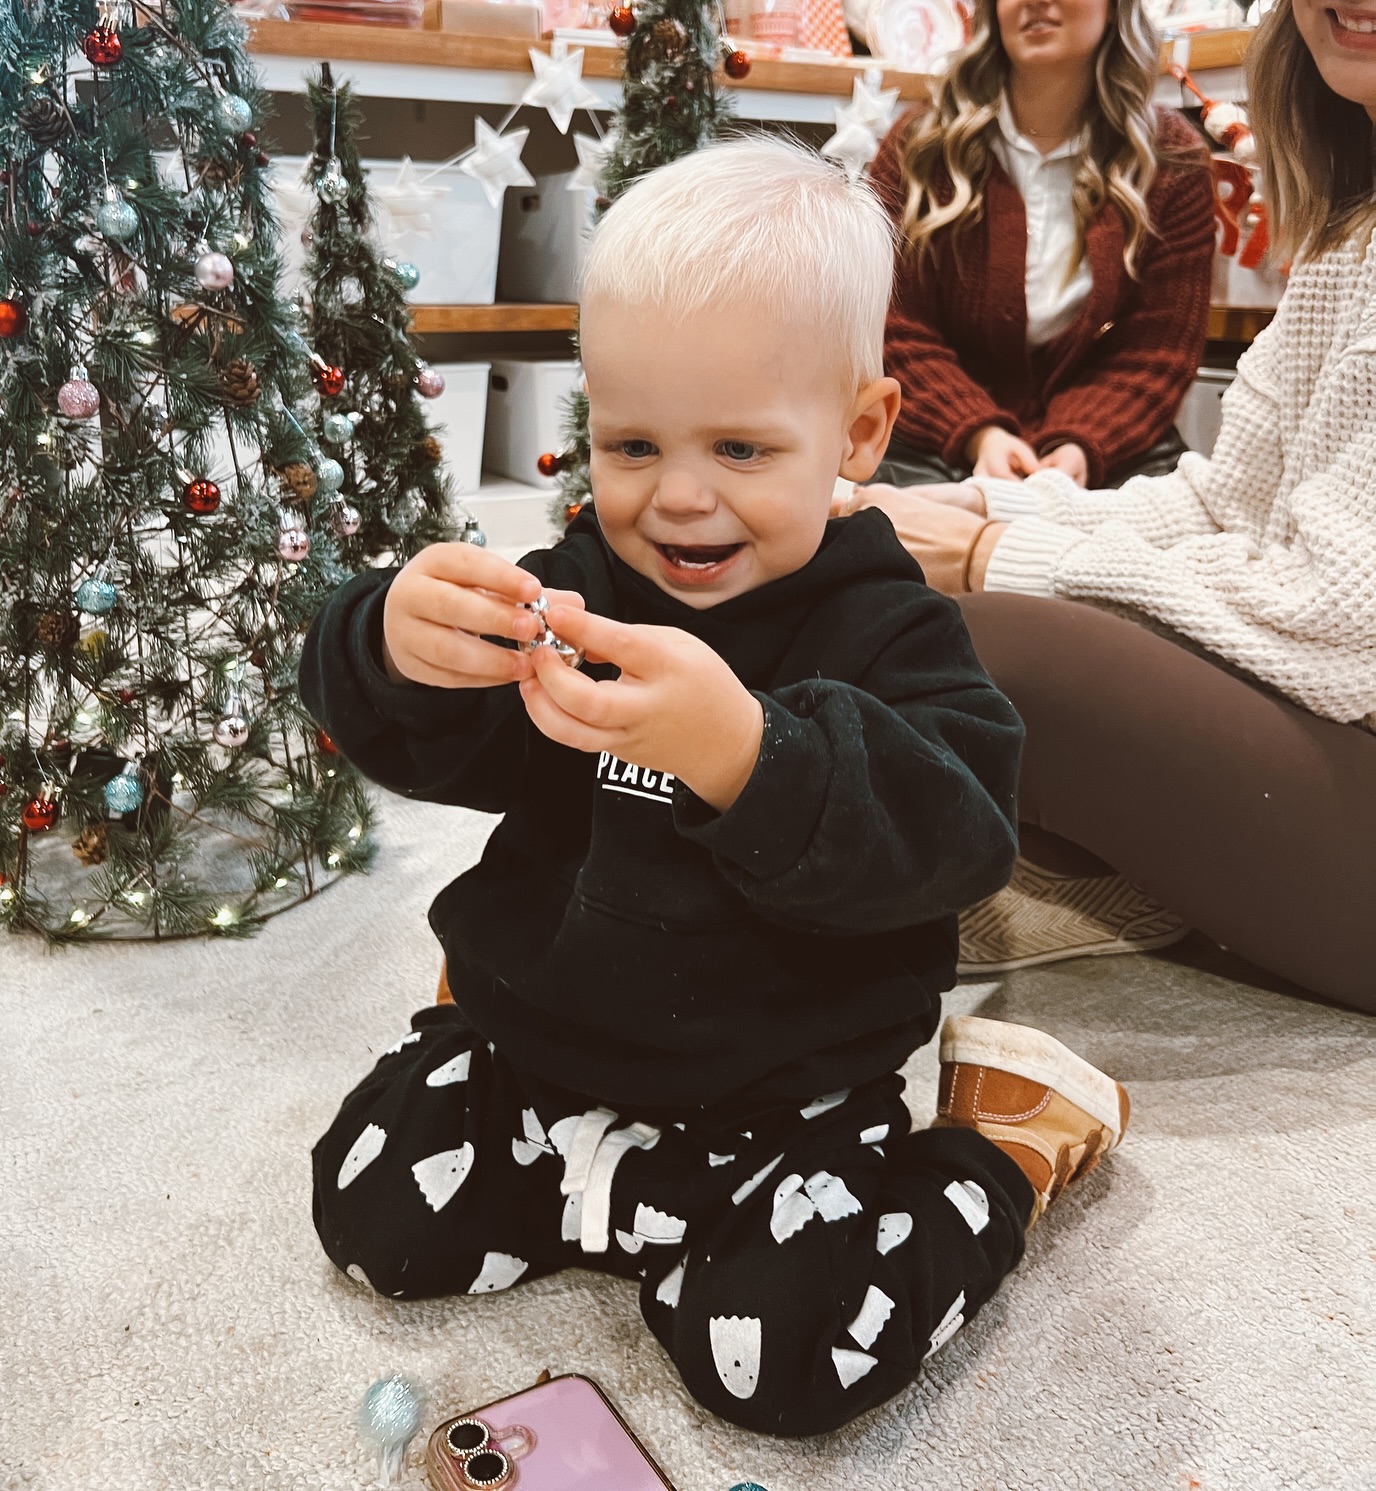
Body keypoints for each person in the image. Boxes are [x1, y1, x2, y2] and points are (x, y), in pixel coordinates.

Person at [300, 139, 1132, 1438]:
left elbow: (962, 832)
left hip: (785, 1086)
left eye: (741, 446)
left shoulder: (891, 628)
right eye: (632, 442)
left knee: (783, 1359)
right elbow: (440, 747)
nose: (678, 497)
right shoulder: (576, 586)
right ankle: (601, 1170)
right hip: (548, 1041)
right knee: (372, 1209)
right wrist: (392, 644)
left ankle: (1000, 1147)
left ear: (858, 432)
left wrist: (753, 757)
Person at [844, 0, 1376, 1012]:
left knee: (981, 643)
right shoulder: (1353, 235)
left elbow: (1333, 612)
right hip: (964, 449)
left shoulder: (1169, 160)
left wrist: (998, 552)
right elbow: (1229, 504)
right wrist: (982, 502)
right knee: (905, 589)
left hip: (1343, 707)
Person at [867, 0, 1214, 490]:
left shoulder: (1171, 162)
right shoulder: (917, 149)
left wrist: (1079, 444)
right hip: (934, 440)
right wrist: (980, 435)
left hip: (1104, 451)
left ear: (1115, 9)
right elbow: (891, 326)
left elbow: (1155, 353)